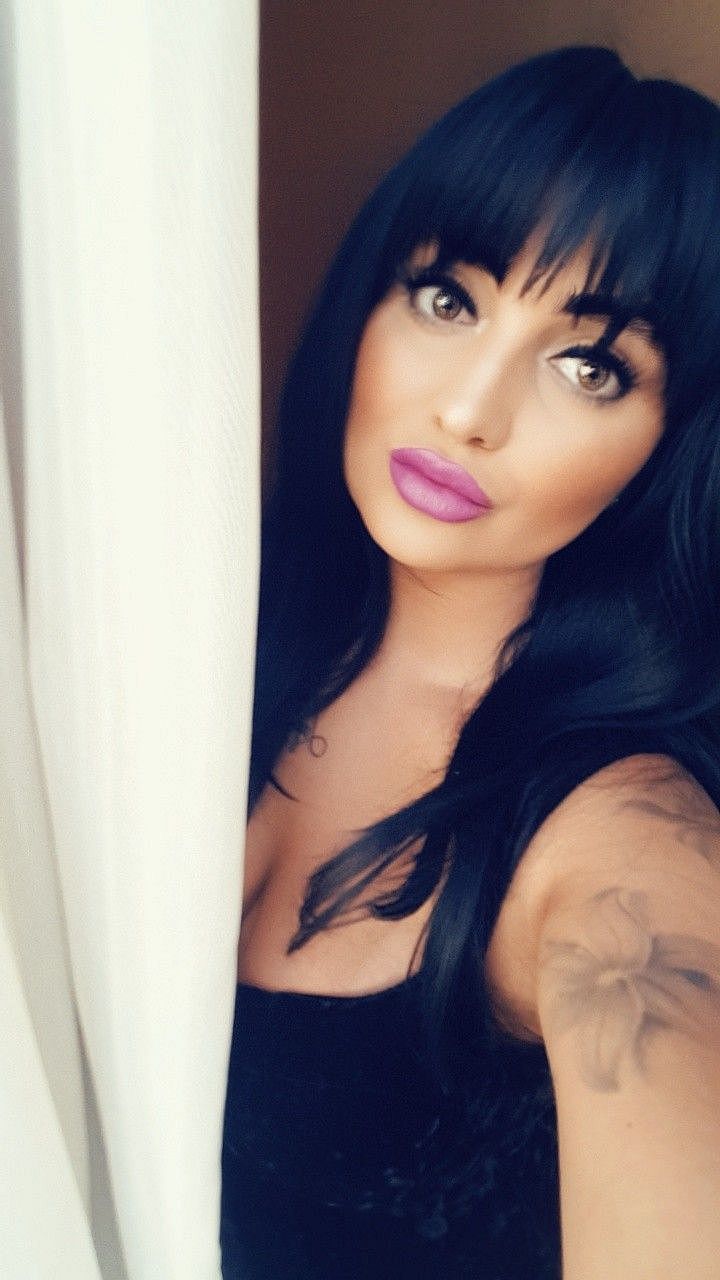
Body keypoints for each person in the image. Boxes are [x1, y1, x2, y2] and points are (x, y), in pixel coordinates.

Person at [220, 45, 720, 1280]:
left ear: (672, 447)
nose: (468, 410)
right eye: (449, 299)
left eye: (589, 366)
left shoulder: (627, 840)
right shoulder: (204, 651)